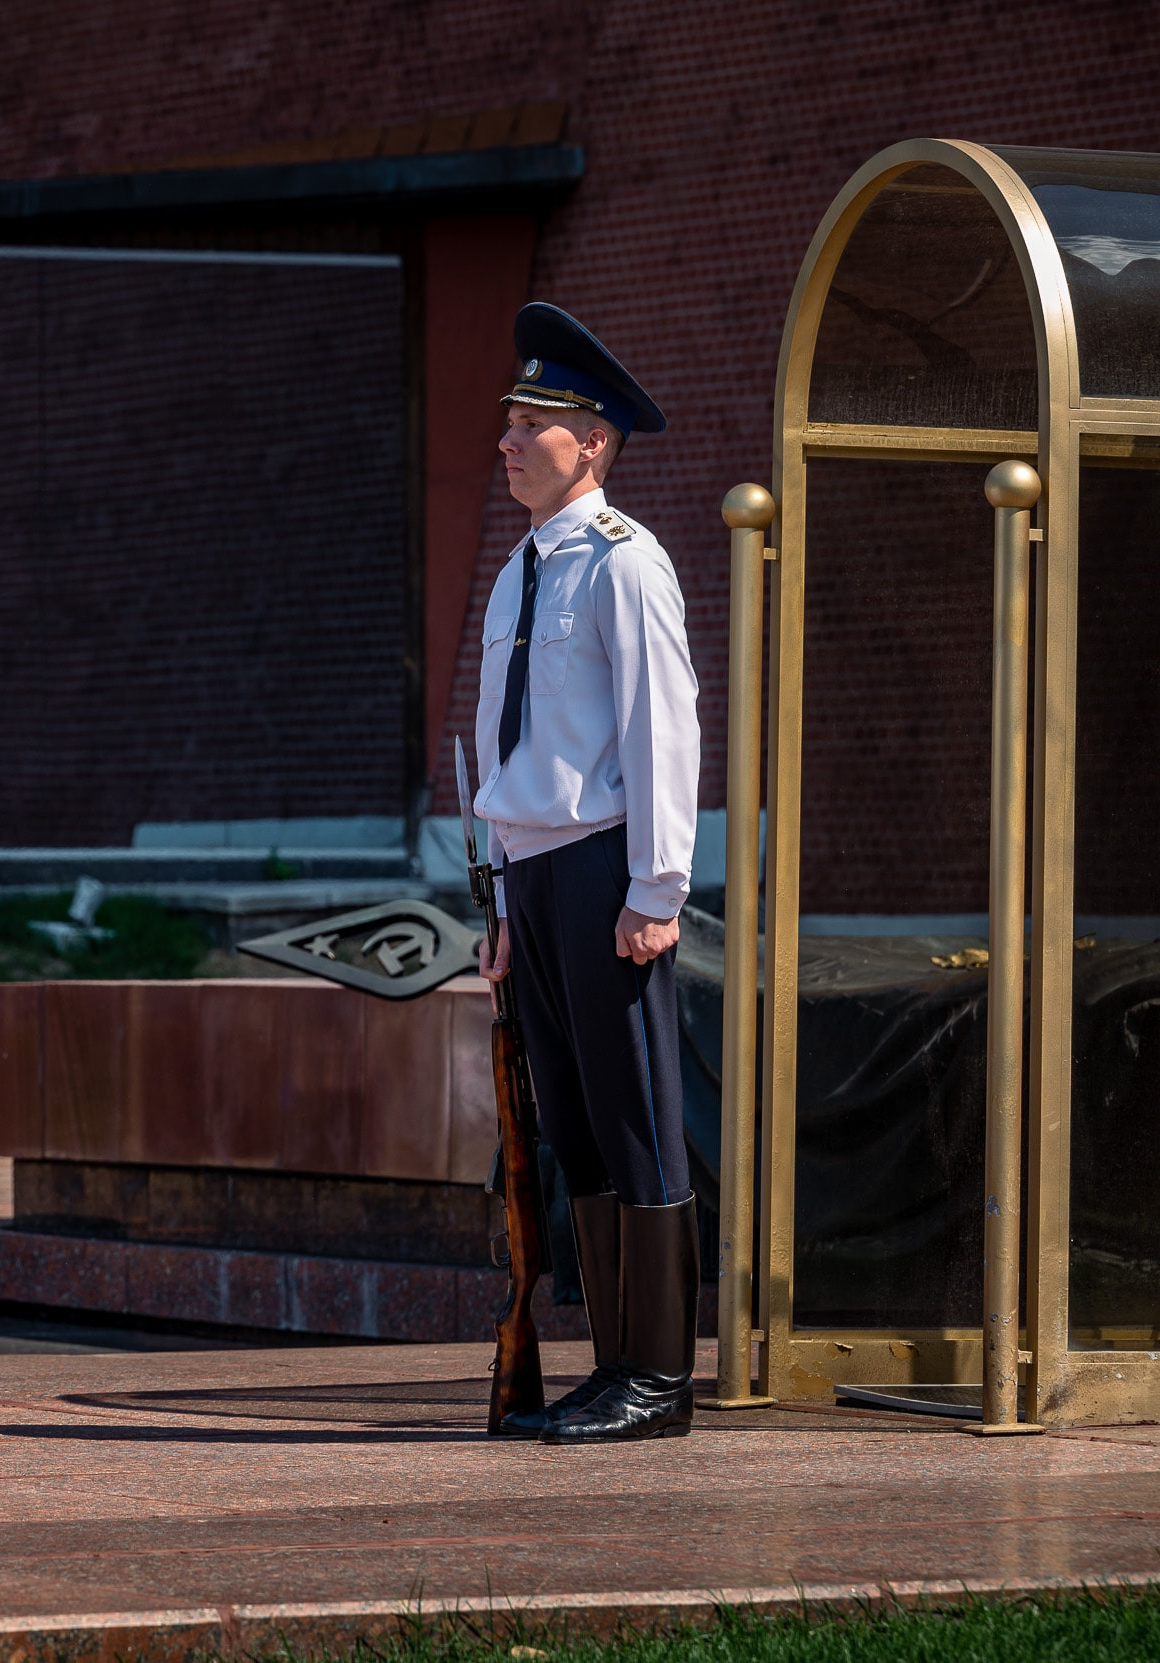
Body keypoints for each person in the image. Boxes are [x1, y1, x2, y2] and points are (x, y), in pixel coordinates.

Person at [470, 303, 701, 1446]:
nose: (508, 440)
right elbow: (506, 746)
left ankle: (658, 1375)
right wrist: (502, 895)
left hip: (607, 870)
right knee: (574, 1124)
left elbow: (663, 728)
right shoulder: (518, 573)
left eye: (533, 424)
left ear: (592, 442)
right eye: (509, 422)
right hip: (535, 877)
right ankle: (614, 1366)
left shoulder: (623, 564)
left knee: (635, 1117)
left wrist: (655, 891)